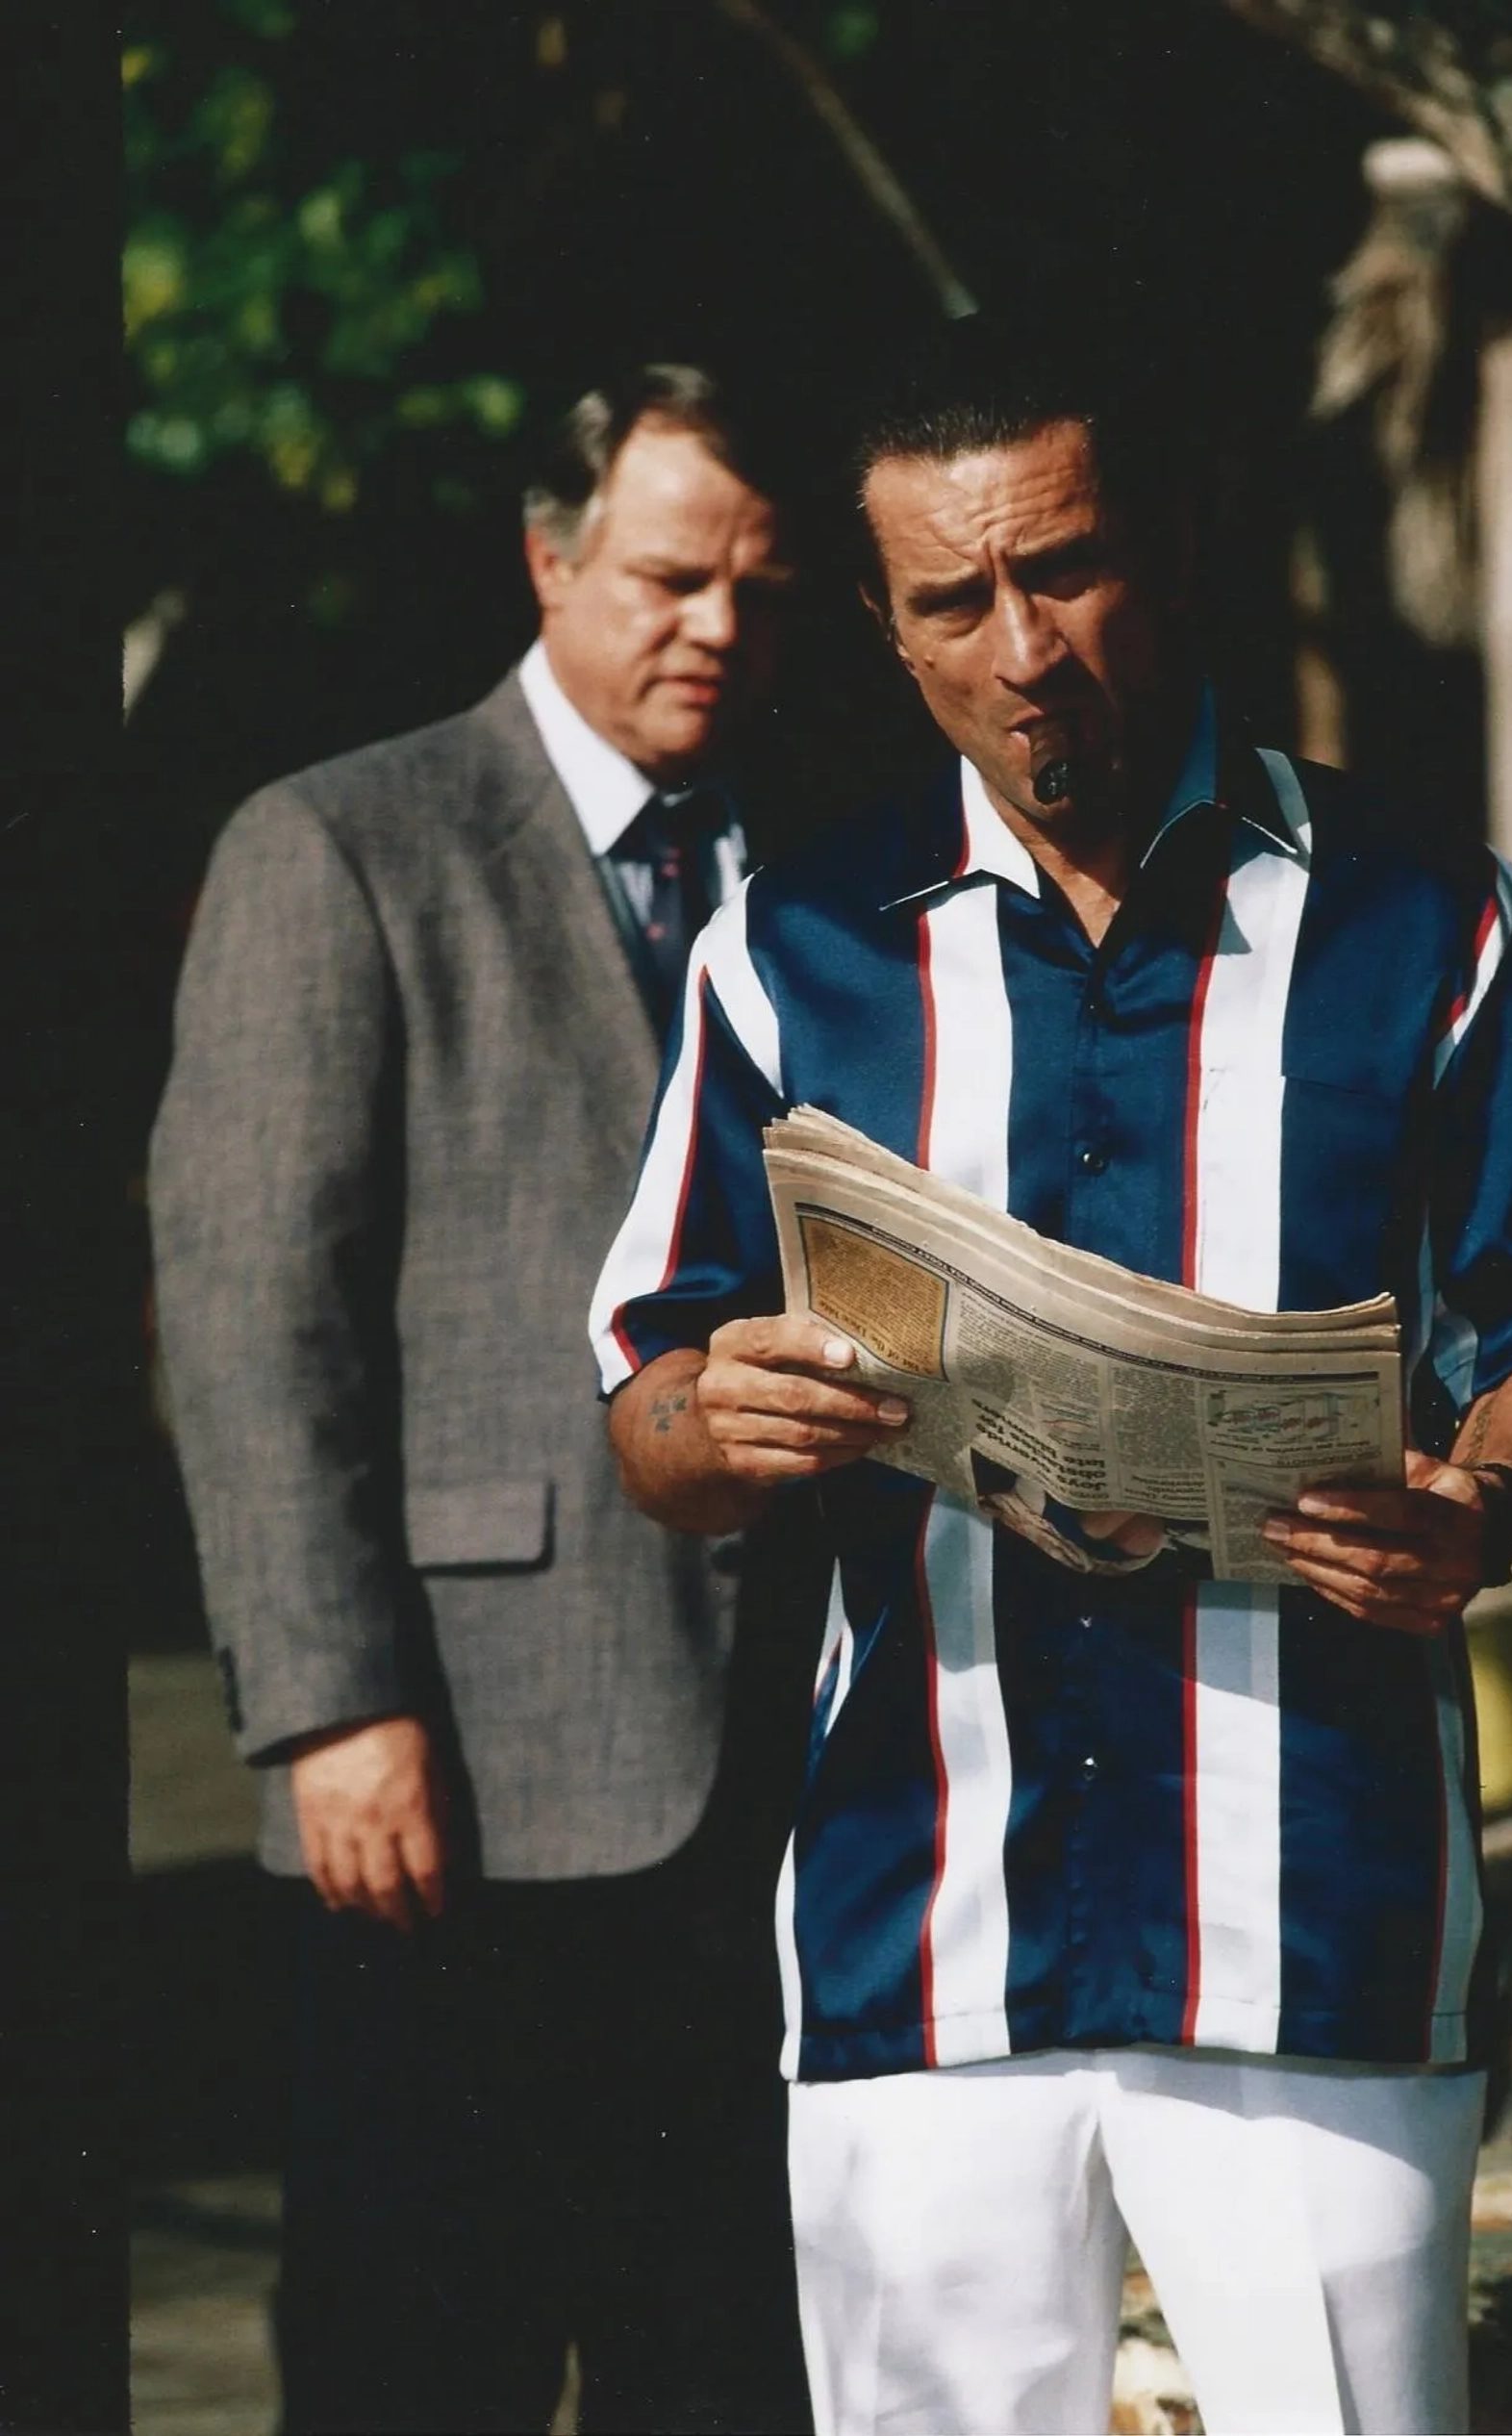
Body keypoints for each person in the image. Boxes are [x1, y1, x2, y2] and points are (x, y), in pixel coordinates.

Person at [589, 314, 1512, 2436]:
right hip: (917, 1923)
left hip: (1321, 1924)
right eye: (952, 600)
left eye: (1061, 568)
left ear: (1163, 547)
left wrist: (1485, 1504)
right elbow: (649, 1389)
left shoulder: (1432, 925)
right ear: (889, 633)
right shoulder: (789, 947)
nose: (1023, 646)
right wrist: (719, 1424)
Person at [150, 364, 817, 2435]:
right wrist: (329, 1709)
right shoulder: (339, 846)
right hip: (449, 1782)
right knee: (416, 2370)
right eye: (668, 574)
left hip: (781, 1789)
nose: (715, 623)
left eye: (759, 589)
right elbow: (252, 1316)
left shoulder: (816, 876)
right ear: (549, 561)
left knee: (724, 2376)